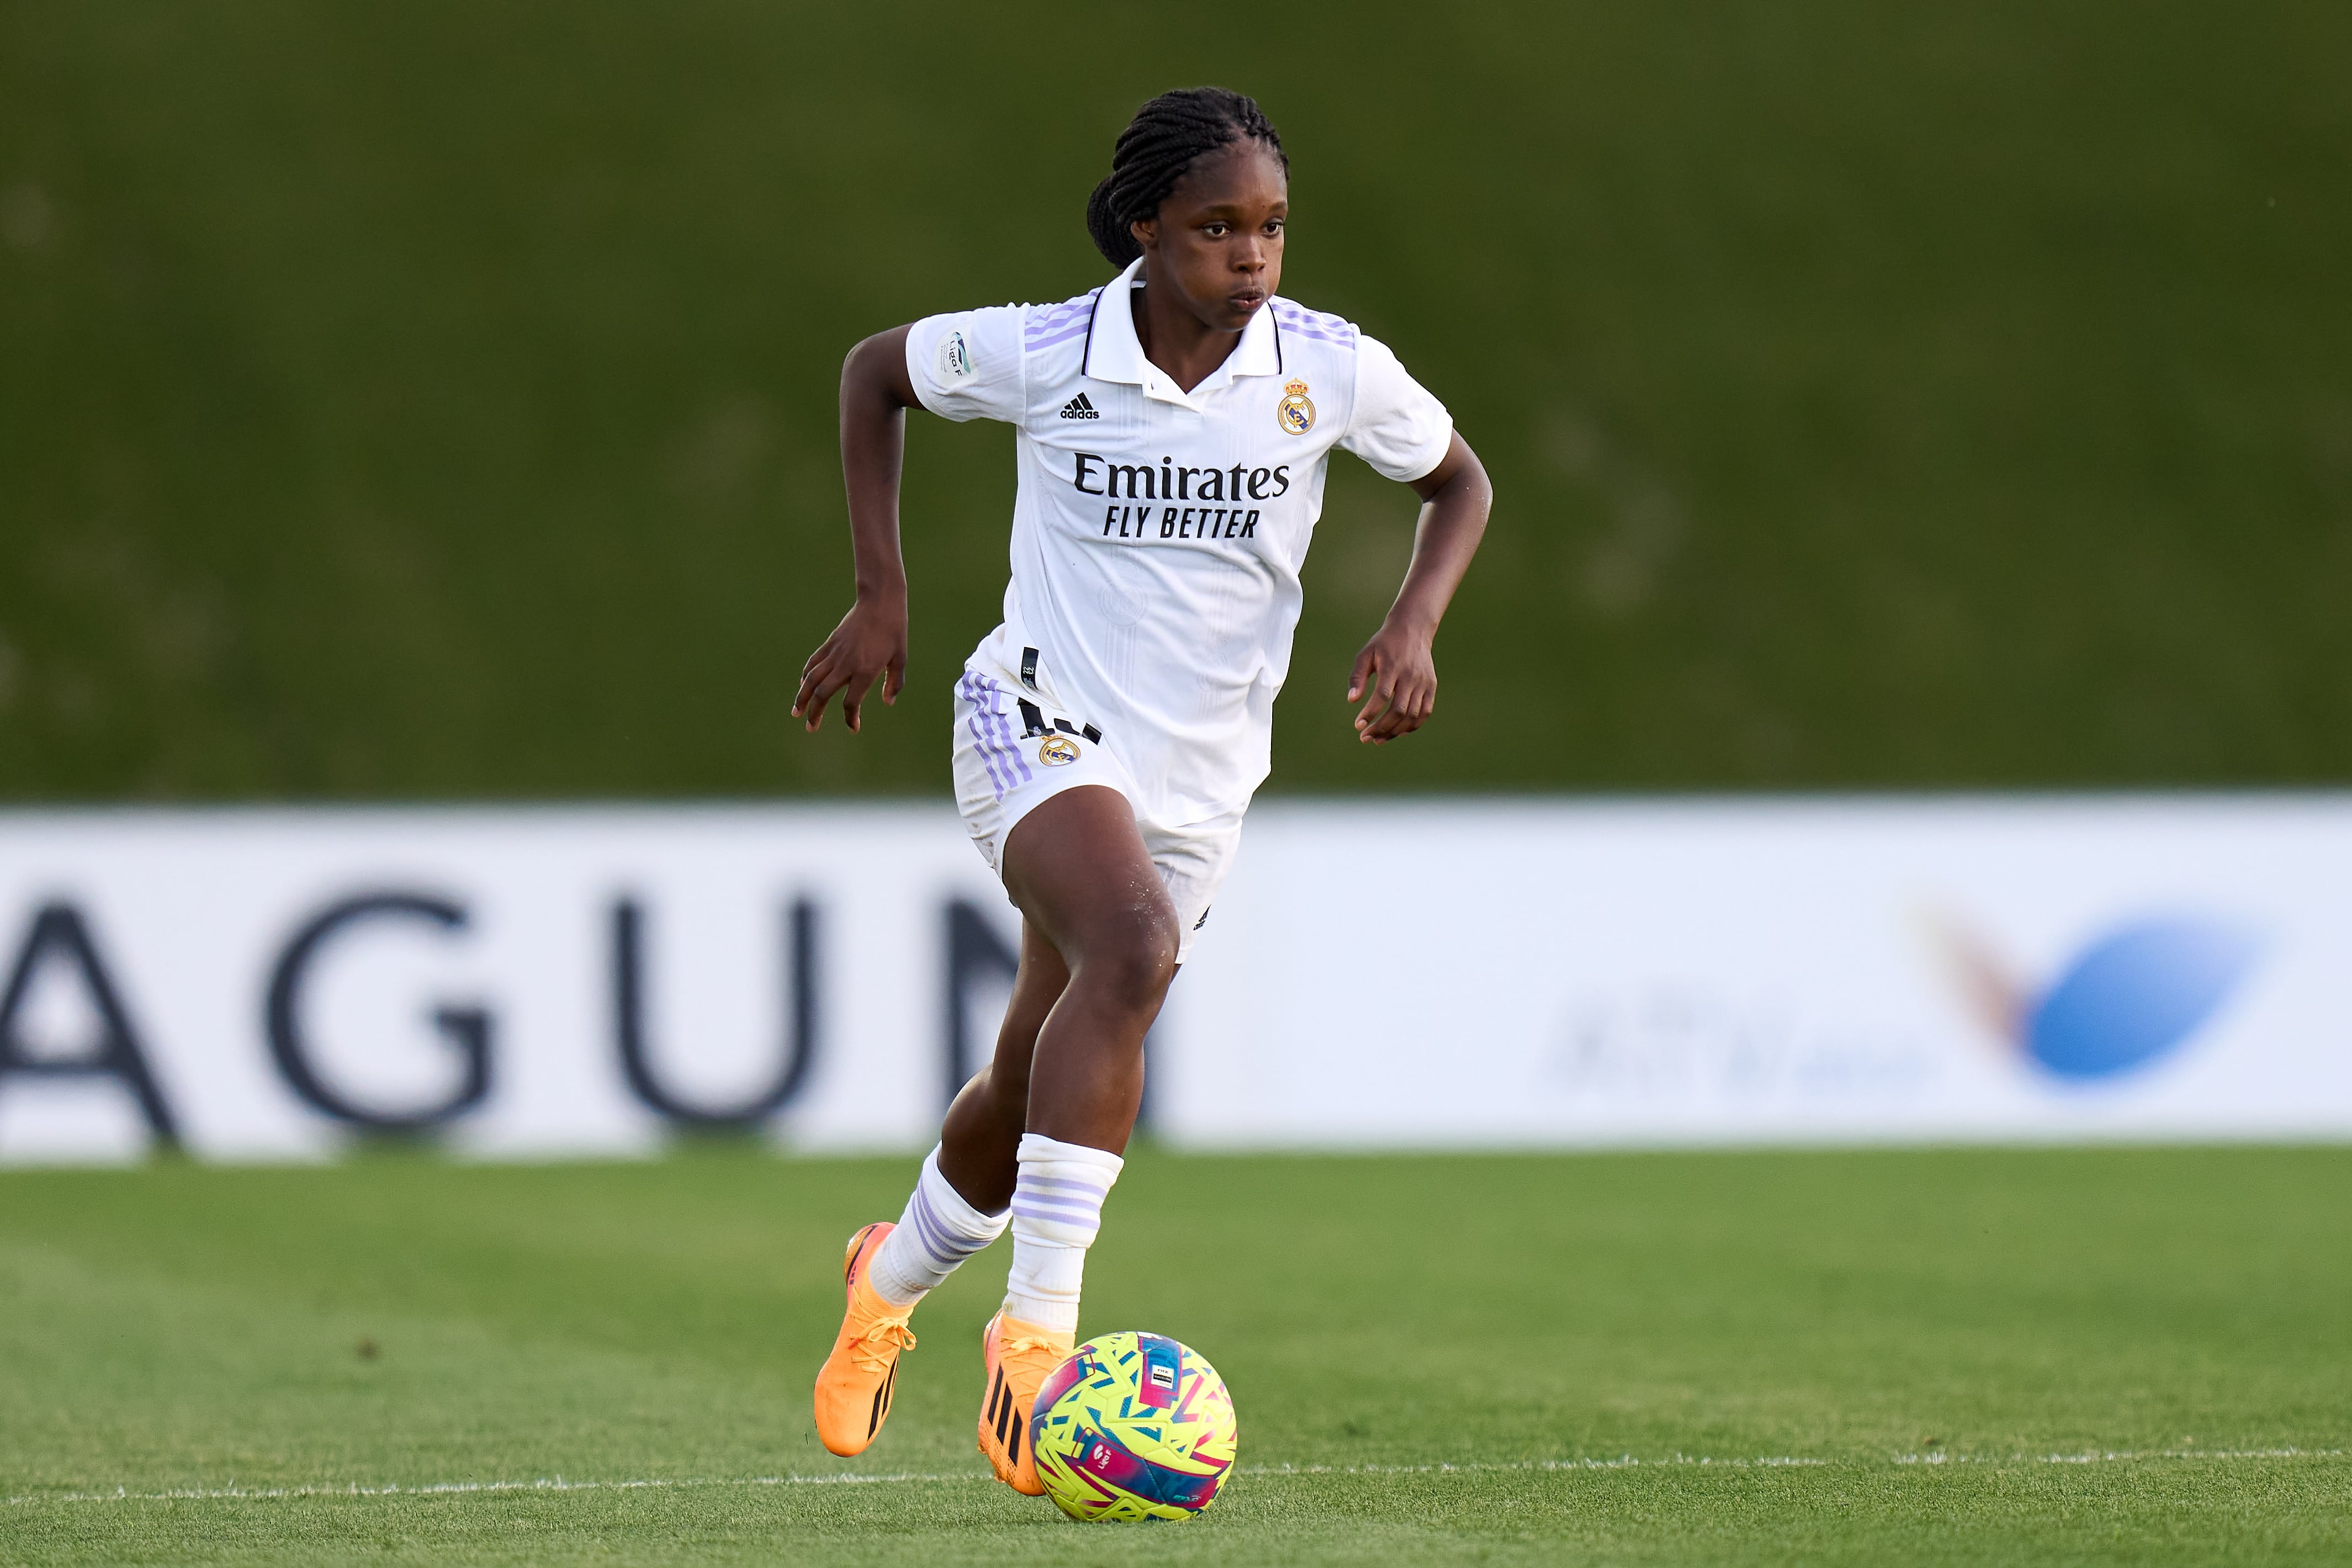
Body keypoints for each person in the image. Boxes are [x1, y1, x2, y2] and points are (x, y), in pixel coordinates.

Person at [795, 86, 1492, 1494]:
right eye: (1218, 227)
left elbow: (1460, 482)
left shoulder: (1328, 370)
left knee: (1030, 1072)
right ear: (1142, 228)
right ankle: (1037, 1341)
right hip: (1035, 714)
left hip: (1199, 775)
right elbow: (877, 371)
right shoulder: (1052, 350)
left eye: (1273, 229)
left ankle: (890, 1279)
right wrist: (883, 593)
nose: (1252, 257)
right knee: (1133, 950)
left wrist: (1413, 624)